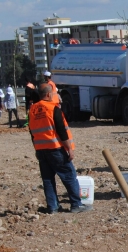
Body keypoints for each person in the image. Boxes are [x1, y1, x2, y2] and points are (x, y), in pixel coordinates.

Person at [28, 83, 90, 214]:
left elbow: (32, 131)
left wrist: (36, 149)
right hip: (55, 148)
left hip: (41, 149)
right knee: (69, 176)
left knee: (48, 179)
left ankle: (53, 206)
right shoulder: (53, 109)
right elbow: (61, 131)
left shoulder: (32, 110)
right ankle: (76, 205)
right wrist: (69, 148)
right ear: (49, 94)